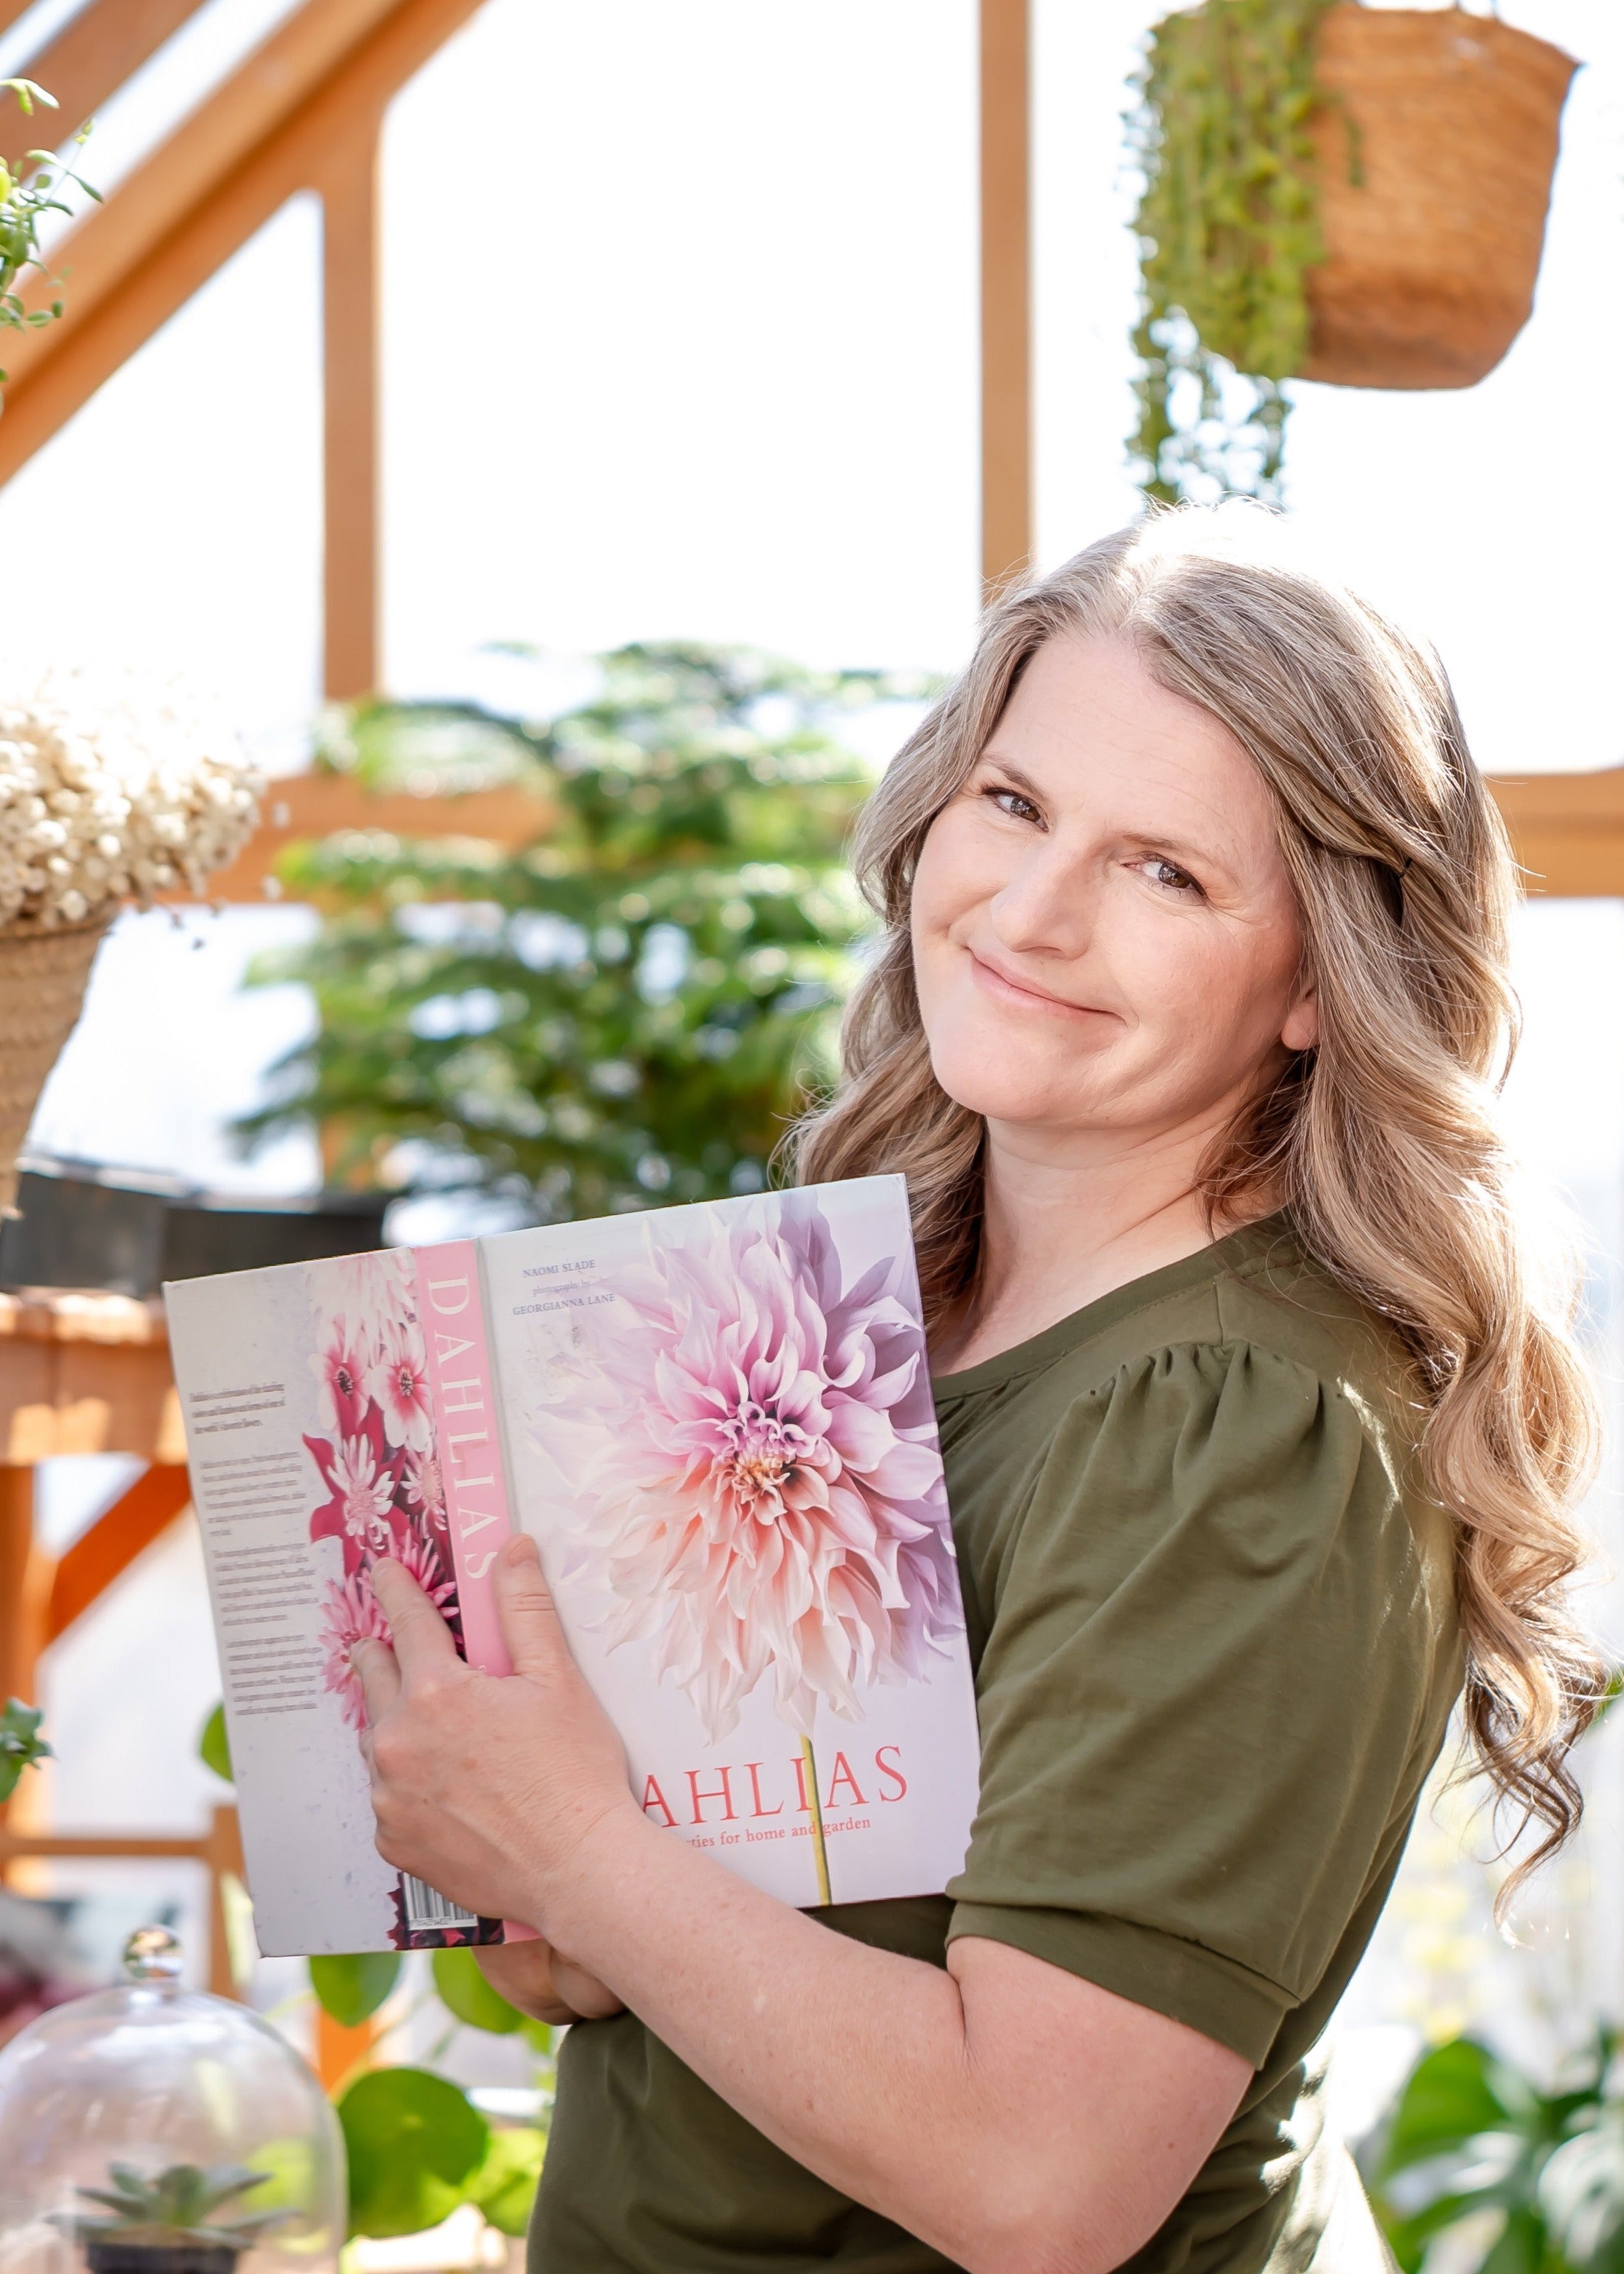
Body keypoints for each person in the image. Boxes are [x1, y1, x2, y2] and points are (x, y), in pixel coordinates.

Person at [350, 507, 1604, 2274]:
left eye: (1164, 869)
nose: (1028, 911)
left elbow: (1041, 2180)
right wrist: (577, 1896)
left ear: (1317, 980)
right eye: (1012, 802)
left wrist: (570, 1842)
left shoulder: (1244, 1426)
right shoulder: (880, 1307)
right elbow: (771, 1914)